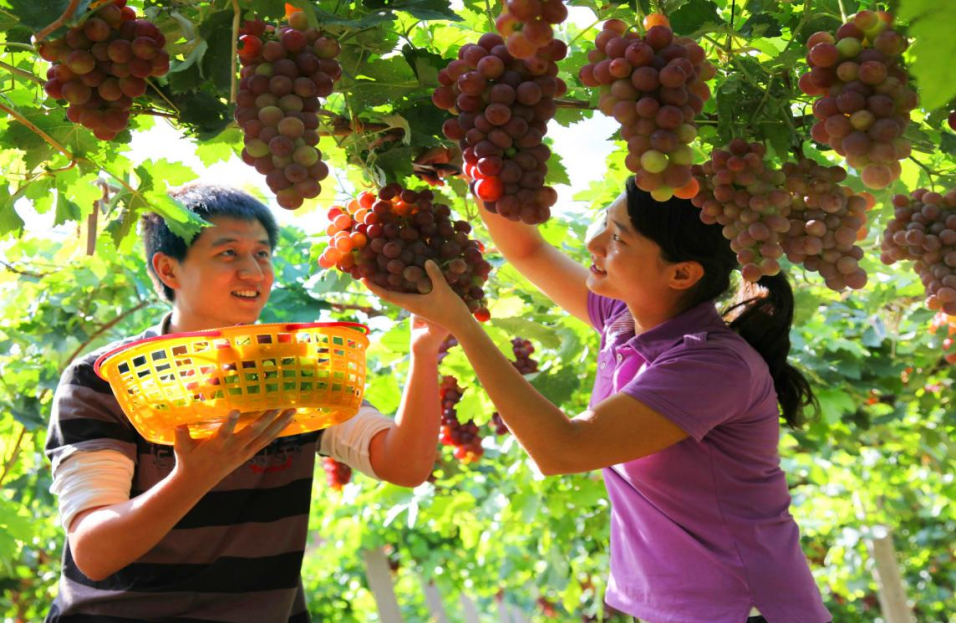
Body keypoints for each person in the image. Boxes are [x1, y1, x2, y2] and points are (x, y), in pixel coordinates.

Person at [364, 177, 832, 623]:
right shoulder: (624, 320)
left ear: (682, 273)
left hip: (747, 610)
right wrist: (474, 162)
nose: (594, 242)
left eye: (618, 238)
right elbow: (527, 249)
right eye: (605, 222)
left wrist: (464, 327)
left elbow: (563, 449)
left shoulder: (712, 365)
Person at [44, 184, 446, 622]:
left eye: (262, 254)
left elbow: (403, 466)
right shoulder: (105, 380)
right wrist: (193, 478)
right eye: (228, 253)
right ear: (168, 269)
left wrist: (424, 353)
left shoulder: (294, 371)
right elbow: (94, 552)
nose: (253, 272)